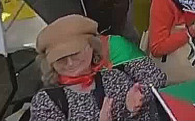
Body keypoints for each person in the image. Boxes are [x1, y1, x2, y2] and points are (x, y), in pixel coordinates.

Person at [30, 15, 165, 121]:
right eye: (61, 59)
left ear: (92, 47)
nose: (70, 63)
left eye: (75, 53)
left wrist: (134, 107)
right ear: (50, 63)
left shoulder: (116, 79)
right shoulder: (47, 101)